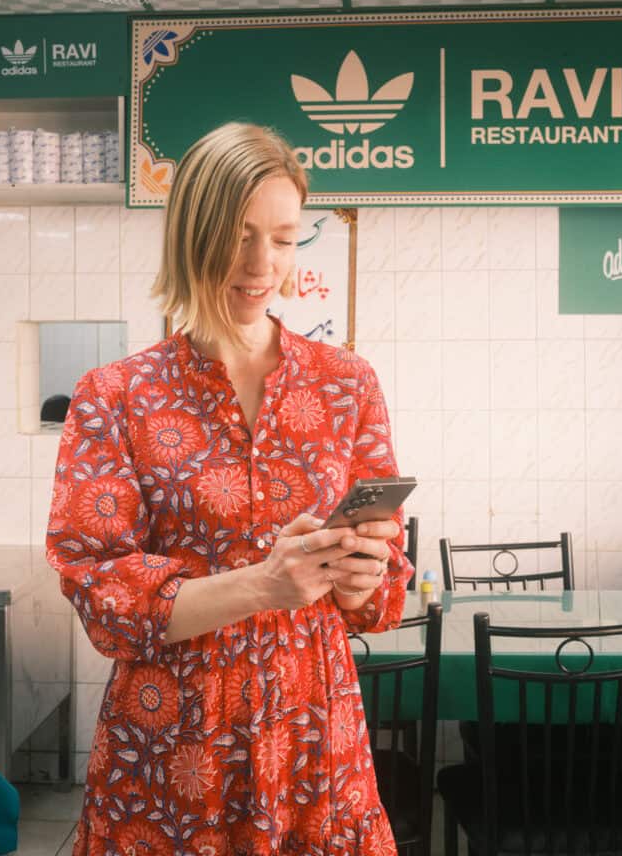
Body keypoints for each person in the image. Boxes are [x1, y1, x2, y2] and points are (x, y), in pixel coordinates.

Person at [46, 121, 414, 855]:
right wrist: (262, 586)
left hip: (312, 730)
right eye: (238, 235)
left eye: (282, 238)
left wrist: (360, 571)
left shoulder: (346, 383)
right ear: (190, 234)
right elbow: (102, 595)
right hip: (170, 749)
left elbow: (382, 596)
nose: (260, 264)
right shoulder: (116, 395)